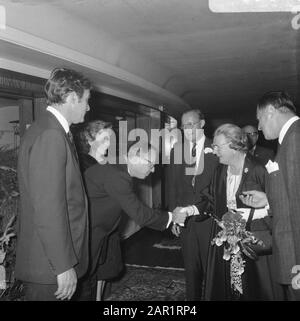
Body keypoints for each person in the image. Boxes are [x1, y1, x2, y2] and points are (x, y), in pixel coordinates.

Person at [16, 68, 92, 301]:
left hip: (48, 262)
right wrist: (62, 265)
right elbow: (49, 207)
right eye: (86, 101)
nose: (88, 108)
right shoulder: (51, 135)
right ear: (71, 98)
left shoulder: (49, 129)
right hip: (50, 267)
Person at [181, 124, 278, 300]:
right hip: (225, 244)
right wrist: (189, 210)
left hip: (253, 246)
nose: (213, 150)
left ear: (234, 146)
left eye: (218, 146)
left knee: (251, 290)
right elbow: (210, 199)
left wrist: (254, 214)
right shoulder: (220, 170)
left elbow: (275, 207)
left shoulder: (258, 170)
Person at [80, 141, 188, 300]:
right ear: (135, 157)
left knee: (102, 272)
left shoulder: (118, 166)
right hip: (86, 234)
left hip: (100, 232)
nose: (154, 169)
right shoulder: (117, 175)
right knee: (84, 286)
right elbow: (140, 214)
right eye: (151, 164)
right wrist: (172, 217)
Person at [240, 91, 300, 300]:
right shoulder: (290, 139)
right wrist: (268, 199)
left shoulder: (295, 139)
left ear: (271, 111)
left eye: (259, 120)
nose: (258, 127)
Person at [167, 109, 219, 300]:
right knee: (191, 271)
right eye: (184, 125)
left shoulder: (217, 147)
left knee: (212, 269)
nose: (187, 129)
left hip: (211, 220)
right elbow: (172, 186)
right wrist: (174, 218)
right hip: (185, 221)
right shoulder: (177, 150)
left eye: (192, 124)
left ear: (202, 124)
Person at [73, 119, 122, 301]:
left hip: (106, 228)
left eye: (110, 139)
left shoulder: (107, 163)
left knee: (103, 272)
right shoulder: (83, 163)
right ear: (89, 139)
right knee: (89, 278)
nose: (108, 143)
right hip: (90, 229)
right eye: (104, 139)